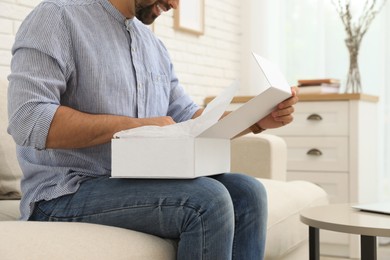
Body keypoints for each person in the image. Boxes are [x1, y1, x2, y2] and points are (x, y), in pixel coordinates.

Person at [7, 0, 298, 259]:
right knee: (206, 200)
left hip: (132, 182)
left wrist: (258, 120)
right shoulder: (57, 17)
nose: (175, 4)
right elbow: (28, 119)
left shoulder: (153, 45)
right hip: (64, 194)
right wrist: (137, 126)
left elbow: (190, 120)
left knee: (248, 192)